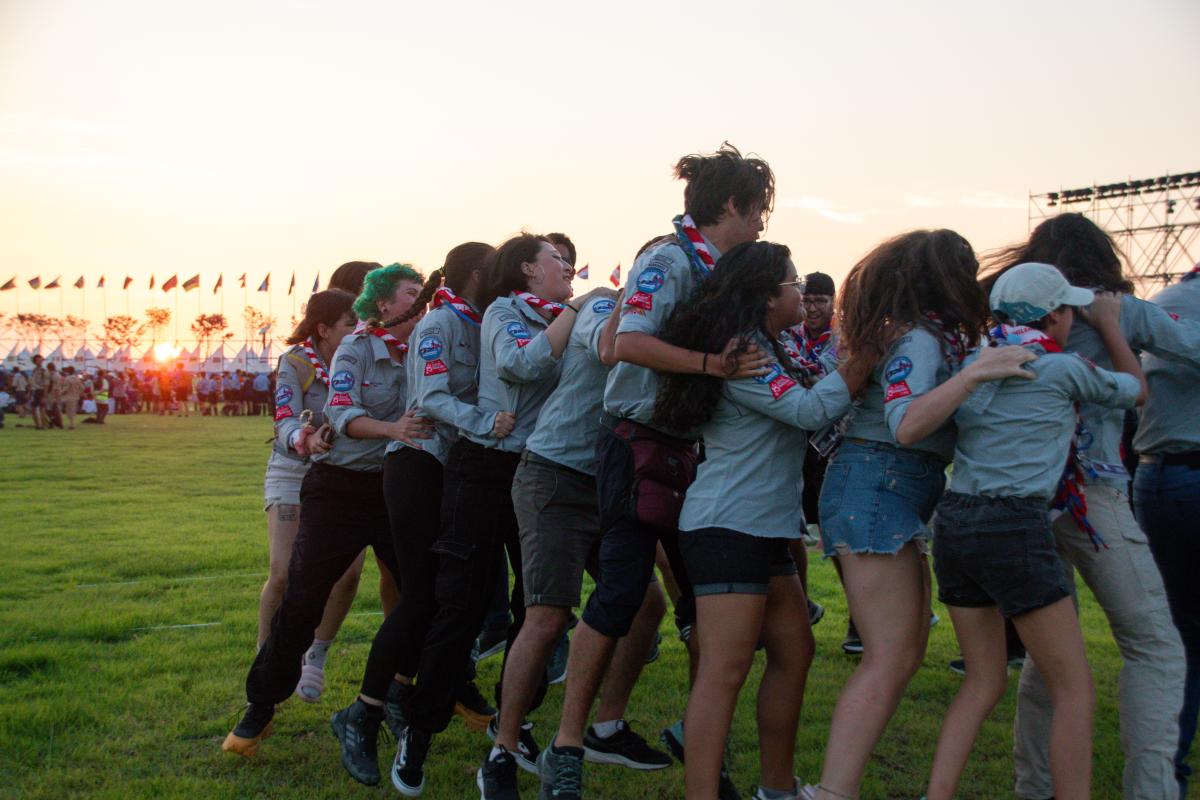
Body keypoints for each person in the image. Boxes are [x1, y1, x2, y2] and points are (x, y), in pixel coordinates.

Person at [542, 143, 775, 800]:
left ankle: (705, 759)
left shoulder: (723, 273)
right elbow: (626, 347)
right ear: (733, 205)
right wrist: (713, 367)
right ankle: (568, 744)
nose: (761, 225)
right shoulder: (669, 261)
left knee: (709, 606)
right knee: (618, 593)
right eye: (758, 211)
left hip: (692, 452)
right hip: (637, 446)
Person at [809, 230, 1032, 800]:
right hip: (877, 484)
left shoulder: (922, 336)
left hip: (886, 489)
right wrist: (971, 377)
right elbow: (906, 424)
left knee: (901, 655)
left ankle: (836, 791)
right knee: (888, 657)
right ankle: (832, 793)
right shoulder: (920, 341)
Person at [375, 234, 595, 797]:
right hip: (483, 467)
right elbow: (519, 367)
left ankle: (512, 721)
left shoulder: (558, 315)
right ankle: (419, 728)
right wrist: (573, 310)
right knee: (462, 605)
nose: (568, 267)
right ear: (526, 269)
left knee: (538, 609)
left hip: (538, 467)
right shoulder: (506, 312)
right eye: (556, 259)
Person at [656, 242, 876, 800]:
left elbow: (816, 389)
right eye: (794, 282)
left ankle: (776, 788)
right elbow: (808, 410)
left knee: (795, 652)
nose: (801, 292)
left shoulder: (775, 347)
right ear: (765, 295)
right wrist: (867, 356)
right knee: (724, 672)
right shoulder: (745, 350)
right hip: (728, 525)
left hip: (763, 526)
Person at [984, 214, 1194, 800]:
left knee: (1049, 658)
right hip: (1092, 494)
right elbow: (1188, 350)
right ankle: (1152, 789)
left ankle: (1036, 788)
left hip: (1025, 501)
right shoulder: (1115, 309)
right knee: (1155, 645)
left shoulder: (1002, 316)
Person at [919, 264, 1146, 800]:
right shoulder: (1063, 368)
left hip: (955, 521)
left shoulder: (974, 365)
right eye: (1068, 310)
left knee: (981, 681)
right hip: (1014, 526)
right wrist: (1111, 325)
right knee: (1075, 689)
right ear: (1053, 317)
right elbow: (1135, 390)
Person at [223, 263, 432, 757]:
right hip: (328, 479)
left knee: (424, 592)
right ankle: (262, 703)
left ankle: (402, 692)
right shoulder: (334, 354)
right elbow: (296, 415)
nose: (421, 301)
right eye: (411, 293)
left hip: (395, 485)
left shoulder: (422, 346)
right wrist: (306, 436)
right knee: (299, 591)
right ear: (380, 304)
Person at [480, 280, 675, 798]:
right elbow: (609, 349)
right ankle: (502, 747)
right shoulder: (607, 306)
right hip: (556, 476)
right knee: (547, 616)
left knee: (645, 604)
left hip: (612, 479)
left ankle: (605, 728)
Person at [332, 243, 509, 788]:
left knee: (452, 597)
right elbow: (433, 398)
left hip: (453, 469)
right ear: (479, 273)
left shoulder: (485, 322)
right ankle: (362, 712)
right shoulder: (439, 323)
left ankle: (410, 695)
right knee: (421, 596)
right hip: (416, 464)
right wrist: (485, 424)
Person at [258, 289, 365, 704]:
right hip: (293, 468)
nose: (357, 331)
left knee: (348, 575)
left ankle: (316, 655)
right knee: (282, 572)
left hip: (342, 473)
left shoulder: (362, 355)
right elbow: (284, 415)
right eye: (348, 324)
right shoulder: (296, 362)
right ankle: (266, 660)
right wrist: (304, 437)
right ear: (323, 329)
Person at [1132, 263, 1200, 798]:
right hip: (1187, 476)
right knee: (1176, 641)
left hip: (1155, 476)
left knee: (1177, 635)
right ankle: (1166, 778)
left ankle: (1169, 774)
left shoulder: (1167, 297)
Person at [327, 259, 402, 618]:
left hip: (391, 471)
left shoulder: (398, 341)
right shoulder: (338, 344)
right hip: (343, 468)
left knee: (397, 572)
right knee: (343, 574)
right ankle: (315, 658)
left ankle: (398, 653)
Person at [780, 270, 840, 630]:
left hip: (831, 446)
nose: (813, 307)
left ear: (833, 302)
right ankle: (801, 603)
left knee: (835, 534)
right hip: (798, 442)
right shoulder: (791, 334)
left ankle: (861, 621)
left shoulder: (841, 339)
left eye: (821, 300)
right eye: (808, 300)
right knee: (791, 527)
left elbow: (823, 378)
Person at [29, 354, 47, 429]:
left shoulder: (44, 371)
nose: (39, 361)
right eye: (37, 360)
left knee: (42, 409)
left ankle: (43, 425)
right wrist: (29, 392)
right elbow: (32, 383)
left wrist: (45, 396)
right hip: (34, 391)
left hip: (41, 390)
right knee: (33, 409)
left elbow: (46, 384)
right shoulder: (33, 371)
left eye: (40, 360)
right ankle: (37, 425)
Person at [44, 363, 64, 429]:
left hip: (52, 393)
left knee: (50, 409)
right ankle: (59, 423)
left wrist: (45, 394)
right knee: (57, 409)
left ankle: (54, 422)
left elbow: (49, 385)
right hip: (58, 392)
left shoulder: (51, 375)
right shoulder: (58, 375)